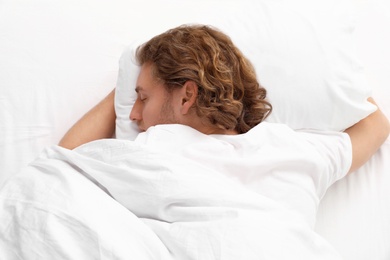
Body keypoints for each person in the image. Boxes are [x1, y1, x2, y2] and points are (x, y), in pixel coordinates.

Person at [59, 24, 389, 175]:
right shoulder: (292, 151)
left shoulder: (146, 151)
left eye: (142, 97)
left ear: (187, 94)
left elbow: (62, 164)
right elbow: (375, 122)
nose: (132, 114)